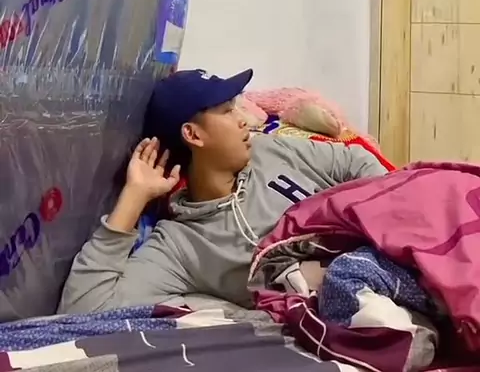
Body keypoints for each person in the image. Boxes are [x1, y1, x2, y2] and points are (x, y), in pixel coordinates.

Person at [58, 68, 387, 314]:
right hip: (346, 302)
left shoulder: (269, 150)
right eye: (228, 110)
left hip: (383, 252)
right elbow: (84, 309)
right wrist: (134, 197)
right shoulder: (181, 245)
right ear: (193, 135)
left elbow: (357, 161)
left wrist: (386, 223)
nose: (243, 120)